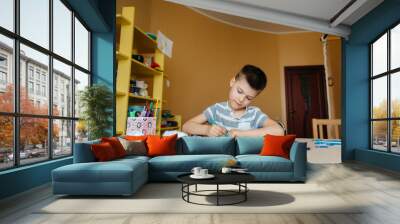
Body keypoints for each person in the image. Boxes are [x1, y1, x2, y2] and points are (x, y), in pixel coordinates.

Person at [182, 64, 284, 137]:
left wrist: (240, 134)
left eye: (248, 98)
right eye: (239, 91)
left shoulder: (254, 114)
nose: (241, 99)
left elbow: (279, 131)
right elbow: (186, 126)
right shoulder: (216, 109)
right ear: (232, 82)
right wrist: (207, 130)